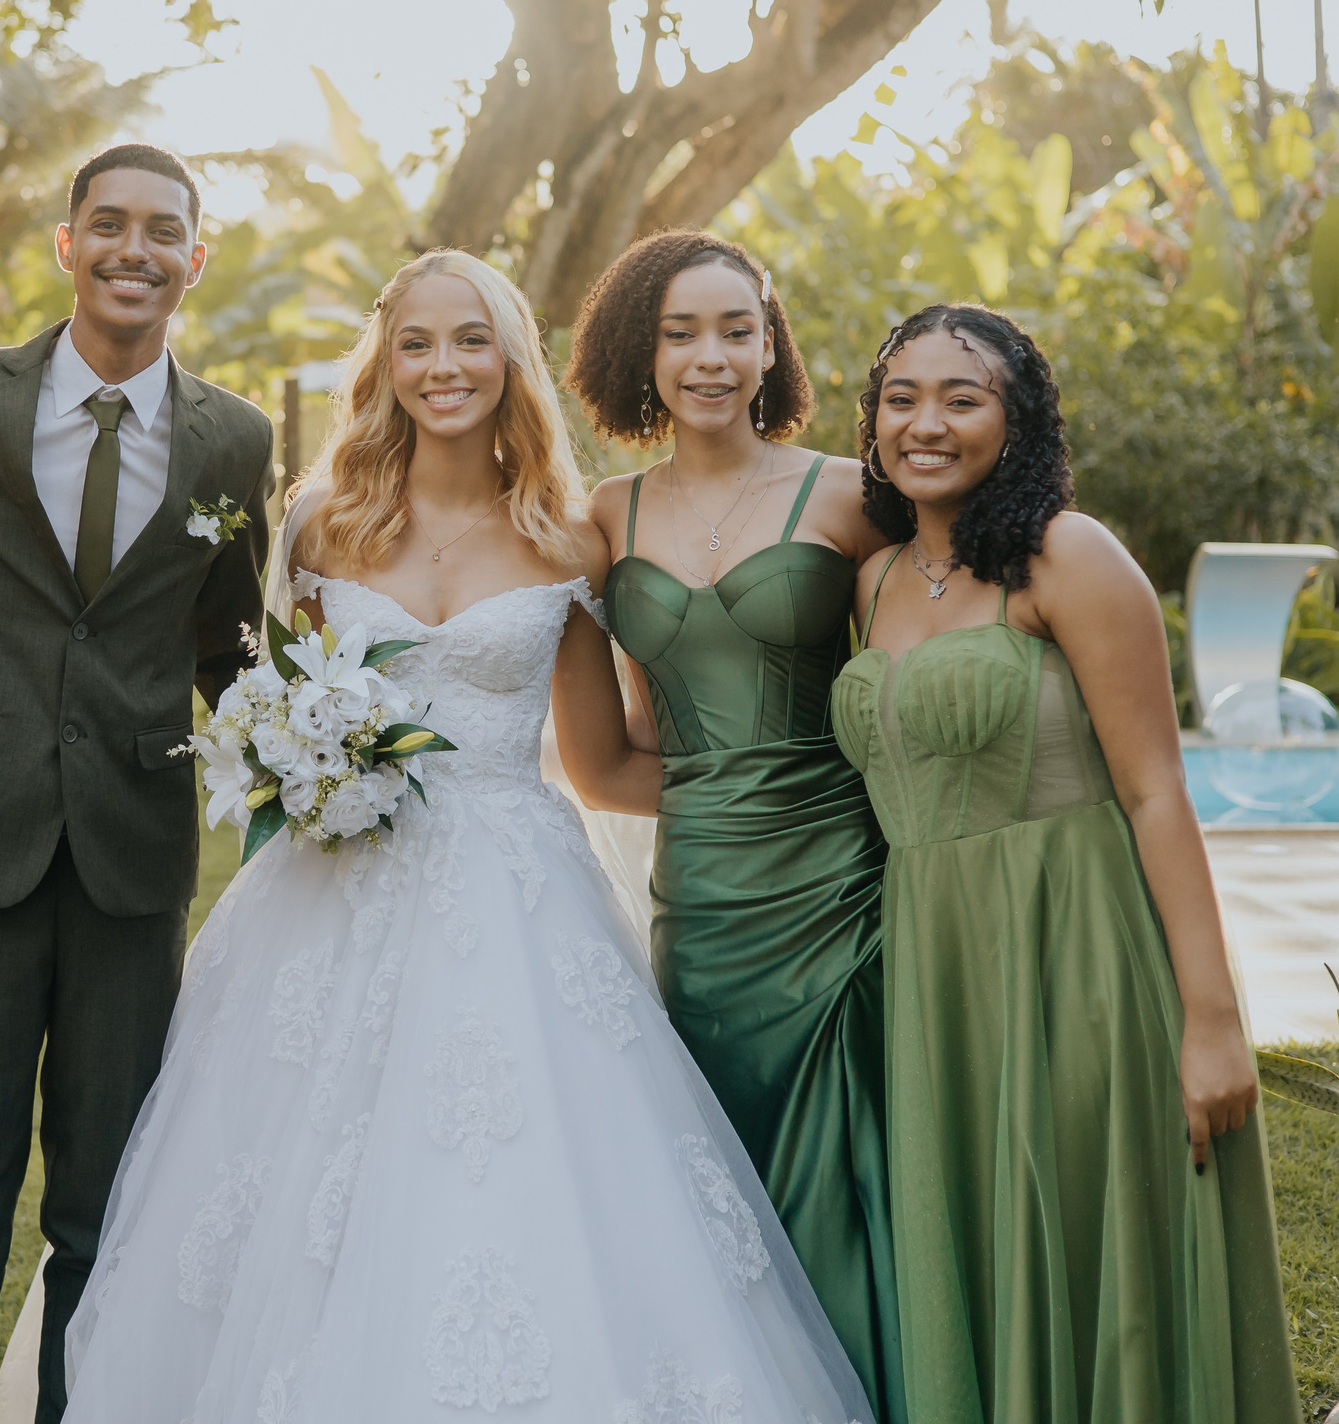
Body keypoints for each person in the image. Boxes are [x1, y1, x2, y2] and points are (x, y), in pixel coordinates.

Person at [59, 249, 878, 1423]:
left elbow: (600, 763)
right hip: (323, 901)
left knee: (512, 1184)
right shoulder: (318, 526)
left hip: (515, 903)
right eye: (417, 344)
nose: (444, 367)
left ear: (512, 360)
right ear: (384, 366)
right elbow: (276, 702)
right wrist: (304, 764)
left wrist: (784, 807)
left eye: (471, 341)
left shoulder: (567, 534)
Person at [832, 304, 1300, 1423]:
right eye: (901, 399)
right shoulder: (872, 581)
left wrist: (1211, 1018)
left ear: (1019, 418)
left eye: (963, 397)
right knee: (978, 1247)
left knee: (1104, 1254)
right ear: (873, 424)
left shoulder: (1067, 555)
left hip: (1076, 951)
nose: (926, 424)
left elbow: (1154, 792)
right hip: (937, 975)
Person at [0, 143, 276, 1424]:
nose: (133, 249)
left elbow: (228, 645)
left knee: (104, 1210)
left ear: (193, 259)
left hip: (131, 860)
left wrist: (323, 756)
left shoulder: (234, 440)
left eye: (162, 230)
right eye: (106, 224)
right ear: (66, 245)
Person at [566, 230, 902, 1421]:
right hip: (701, 911)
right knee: (724, 1194)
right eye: (679, 332)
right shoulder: (600, 521)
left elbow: (919, 682)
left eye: (734, 330)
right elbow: (607, 761)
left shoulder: (858, 498)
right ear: (637, 352)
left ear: (771, 345)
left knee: (850, 1187)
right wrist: (726, 797)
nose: (709, 357)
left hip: (845, 895)